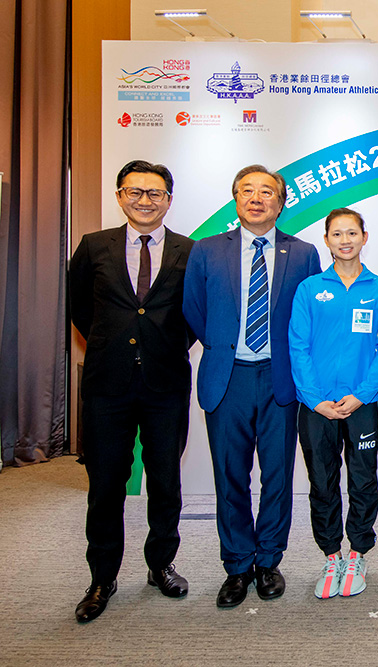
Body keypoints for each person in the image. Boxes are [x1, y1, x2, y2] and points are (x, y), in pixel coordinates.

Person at [183, 165, 321, 608]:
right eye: (247, 191)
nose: (256, 199)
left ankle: (268, 560)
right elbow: (194, 309)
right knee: (230, 476)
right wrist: (223, 346)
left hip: (280, 378)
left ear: (281, 203)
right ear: (235, 199)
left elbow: (310, 317)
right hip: (229, 377)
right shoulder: (207, 250)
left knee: (278, 475)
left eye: (267, 192)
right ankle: (238, 564)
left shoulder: (303, 253)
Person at [69, 160, 194, 623]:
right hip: (108, 385)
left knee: (165, 481)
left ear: (168, 200)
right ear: (120, 196)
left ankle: (161, 565)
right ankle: (102, 577)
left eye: (155, 193)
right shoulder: (93, 246)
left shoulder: (189, 250)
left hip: (166, 384)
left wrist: (162, 347)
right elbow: (80, 307)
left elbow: (194, 315)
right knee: (105, 485)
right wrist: (114, 343)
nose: (145, 200)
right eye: (135, 192)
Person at [288, 208, 378, 599]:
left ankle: (358, 553)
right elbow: (298, 346)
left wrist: (362, 394)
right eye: (337, 234)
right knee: (322, 481)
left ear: (365, 237)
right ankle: (331, 555)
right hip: (317, 408)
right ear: (326, 240)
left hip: (363, 404)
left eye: (352, 233)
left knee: (363, 480)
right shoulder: (310, 289)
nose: (345, 240)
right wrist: (315, 400)